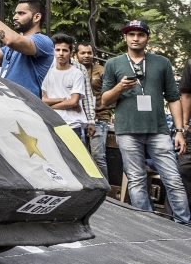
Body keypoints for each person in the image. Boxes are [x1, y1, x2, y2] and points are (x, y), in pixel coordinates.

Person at [101, 20, 188, 224]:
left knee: (173, 179)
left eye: (140, 34)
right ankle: (148, 224)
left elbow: (174, 97)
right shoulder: (113, 64)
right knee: (136, 180)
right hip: (127, 130)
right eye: (131, 34)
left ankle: (183, 224)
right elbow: (105, 100)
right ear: (125, 37)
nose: (135, 38)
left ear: (147, 38)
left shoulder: (162, 62)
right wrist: (120, 88)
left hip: (158, 130)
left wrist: (179, 130)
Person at [41, 33, 90, 141]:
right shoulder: (46, 73)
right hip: (51, 123)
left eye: (65, 50)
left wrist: (49, 106)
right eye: (57, 50)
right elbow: (42, 100)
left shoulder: (77, 73)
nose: (61, 54)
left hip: (72, 125)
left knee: (75, 157)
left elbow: (73, 102)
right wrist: (64, 100)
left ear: (71, 53)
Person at [77, 41, 111, 177]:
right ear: (76, 55)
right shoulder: (72, 69)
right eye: (82, 53)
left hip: (98, 118)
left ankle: (105, 191)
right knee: (80, 158)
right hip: (78, 119)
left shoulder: (101, 70)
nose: (86, 55)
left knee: (98, 157)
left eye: (89, 53)